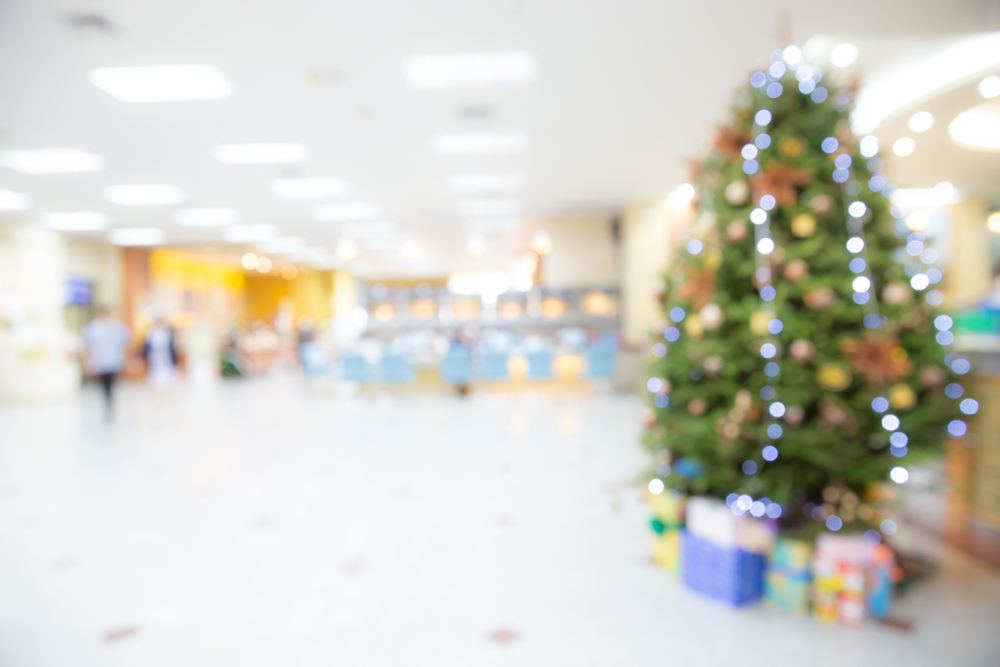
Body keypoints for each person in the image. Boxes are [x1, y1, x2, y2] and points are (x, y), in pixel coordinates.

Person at [82, 307, 130, 420]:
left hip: (114, 362)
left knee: (111, 384)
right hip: (100, 362)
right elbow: (89, 347)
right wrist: (88, 363)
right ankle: (107, 401)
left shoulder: (118, 327)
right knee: (103, 385)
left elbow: (124, 344)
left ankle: (110, 403)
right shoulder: (93, 328)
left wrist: (125, 361)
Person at [143, 317, 178, 406]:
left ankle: (164, 401)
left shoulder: (167, 334)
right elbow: (146, 349)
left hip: (166, 361)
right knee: (156, 382)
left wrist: (175, 362)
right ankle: (158, 401)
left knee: (165, 382)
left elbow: (172, 349)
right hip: (155, 362)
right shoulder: (151, 334)